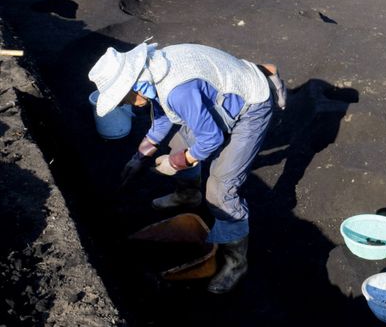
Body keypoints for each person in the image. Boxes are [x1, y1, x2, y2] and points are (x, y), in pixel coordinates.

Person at [89, 42, 287, 294]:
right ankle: (188, 194)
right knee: (178, 143)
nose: (124, 104)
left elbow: (211, 138)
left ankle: (236, 263)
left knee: (220, 189)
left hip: (252, 104)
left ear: (134, 84)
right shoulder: (154, 72)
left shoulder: (177, 90)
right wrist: (140, 155)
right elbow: (164, 115)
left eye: (122, 98)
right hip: (219, 93)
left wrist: (177, 163)